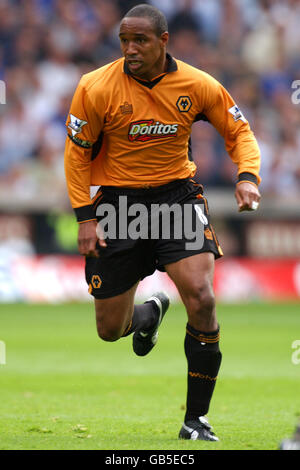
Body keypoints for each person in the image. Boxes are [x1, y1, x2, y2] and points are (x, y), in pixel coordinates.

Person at [64, 4, 261, 441]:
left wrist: (247, 176)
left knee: (203, 298)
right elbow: (76, 154)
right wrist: (85, 217)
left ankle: (196, 421)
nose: (130, 49)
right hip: (118, 206)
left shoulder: (197, 84)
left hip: (177, 199)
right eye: (124, 41)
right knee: (109, 330)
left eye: (140, 41)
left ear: (163, 40)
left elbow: (239, 132)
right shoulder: (95, 87)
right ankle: (149, 312)